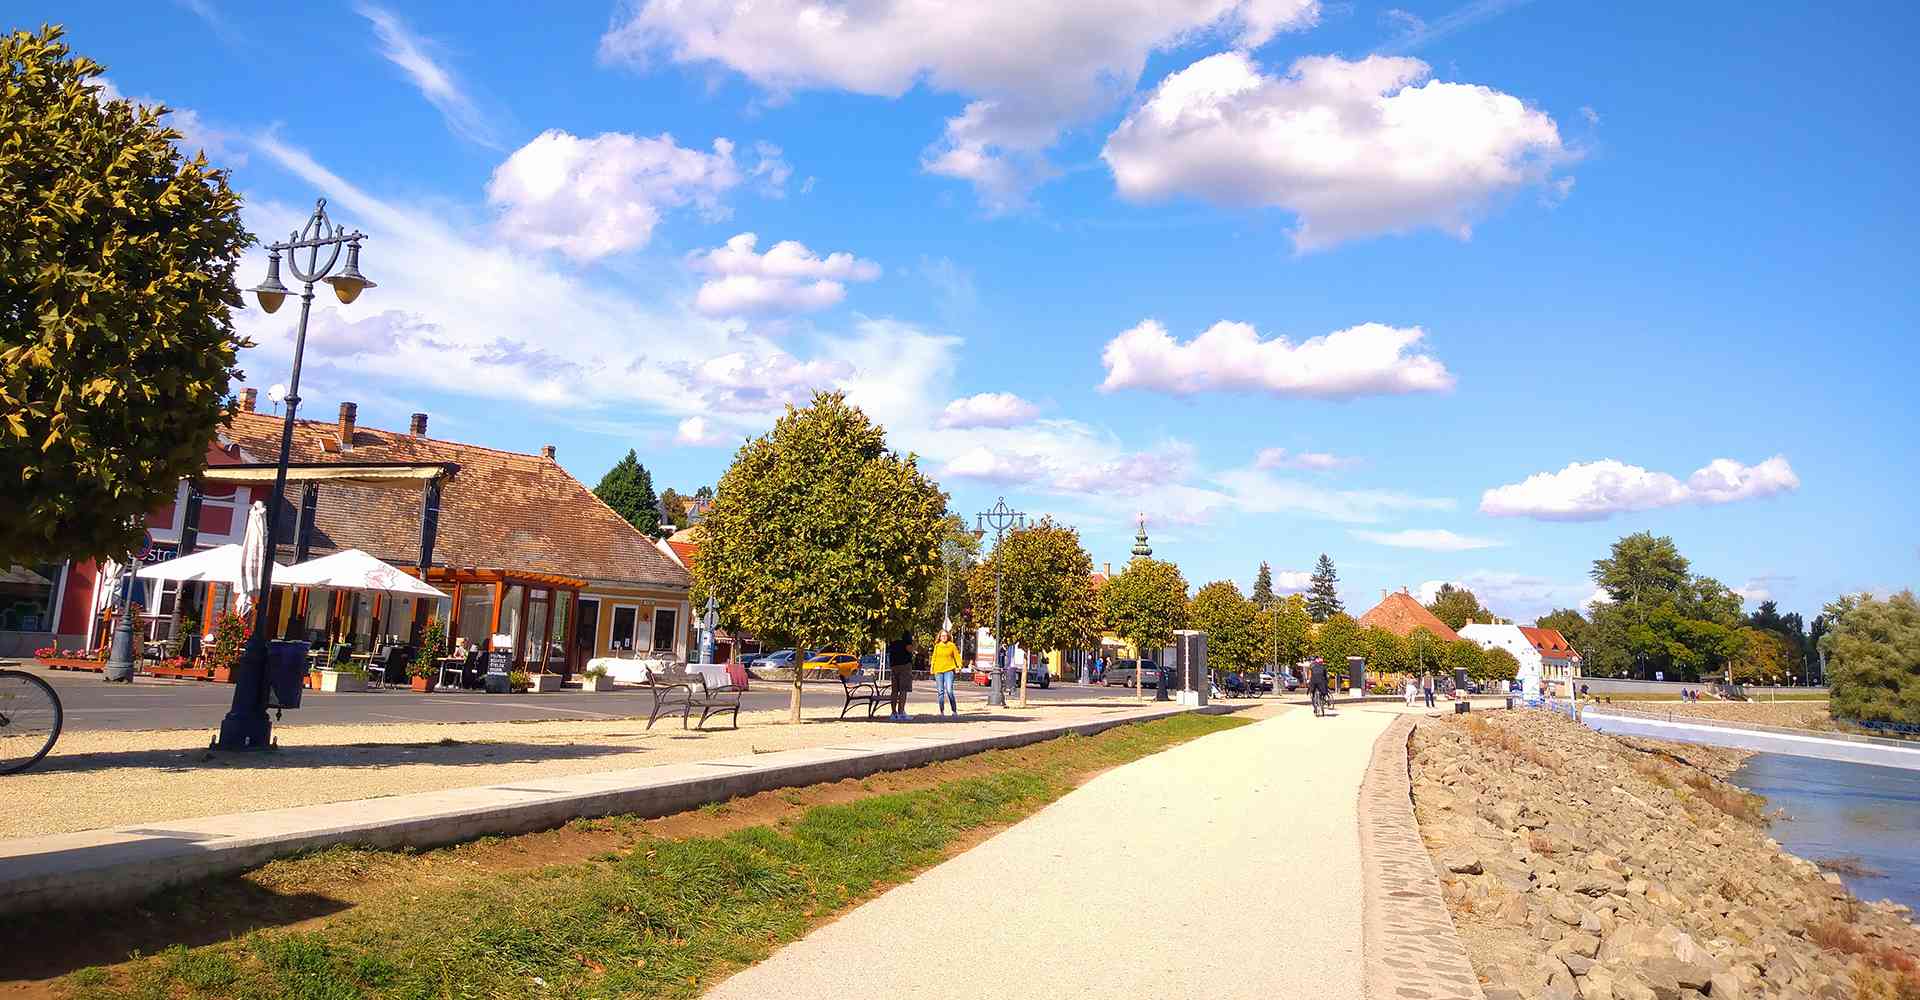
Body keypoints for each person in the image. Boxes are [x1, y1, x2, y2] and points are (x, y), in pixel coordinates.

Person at [930, 629, 961, 718]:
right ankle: (942, 711)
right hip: (938, 670)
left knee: (949, 690)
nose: (943, 637)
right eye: (942, 636)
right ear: (939, 637)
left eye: (945, 636)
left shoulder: (952, 646)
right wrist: (932, 667)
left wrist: (959, 666)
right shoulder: (937, 646)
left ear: (948, 636)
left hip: (949, 670)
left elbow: (957, 656)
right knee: (940, 692)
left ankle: (954, 711)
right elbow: (934, 657)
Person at [886, 632, 914, 721]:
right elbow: (909, 648)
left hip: (894, 664)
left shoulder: (892, 632)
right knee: (903, 690)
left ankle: (894, 713)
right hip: (904, 664)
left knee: (894, 690)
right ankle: (901, 712)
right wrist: (914, 645)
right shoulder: (906, 633)